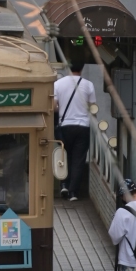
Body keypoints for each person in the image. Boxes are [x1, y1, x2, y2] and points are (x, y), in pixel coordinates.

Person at [54, 63, 98, 201]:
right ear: (82, 68)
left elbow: (54, 106)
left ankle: (64, 184)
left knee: (64, 156)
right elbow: (93, 108)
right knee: (78, 160)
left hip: (64, 126)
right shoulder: (88, 85)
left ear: (68, 68)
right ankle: (73, 193)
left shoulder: (58, 84)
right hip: (82, 127)